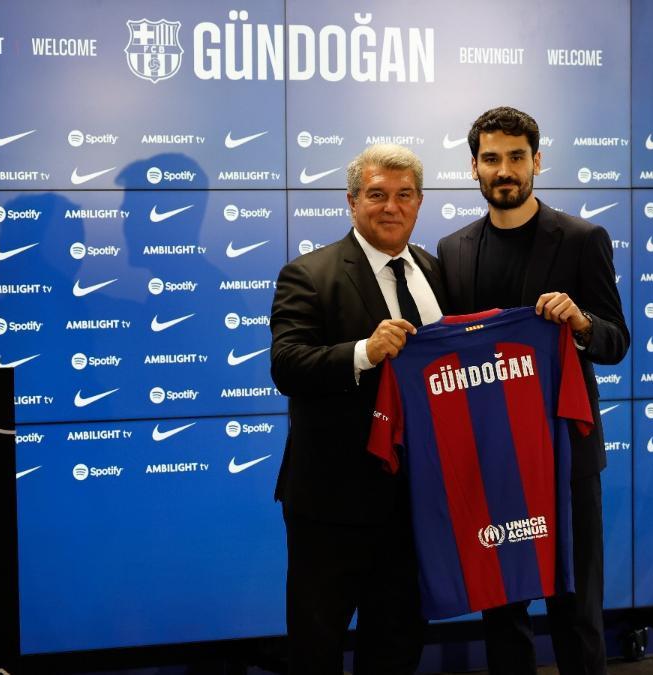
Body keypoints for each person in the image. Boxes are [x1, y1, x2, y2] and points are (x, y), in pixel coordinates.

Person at [436, 106, 630, 675]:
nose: (505, 170)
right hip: (491, 455)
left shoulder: (581, 238)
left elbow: (616, 342)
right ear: (473, 167)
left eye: (516, 157)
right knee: (503, 609)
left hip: (565, 454)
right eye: (491, 158)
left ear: (537, 161)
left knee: (575, 608)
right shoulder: (452, 250)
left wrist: (583, 324)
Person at [270, 144, 445, 674]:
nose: (390, 207)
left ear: (419, 203)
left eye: (403, 195)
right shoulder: (309, 273)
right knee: (317, 643)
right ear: (351, 201)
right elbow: (287, 365)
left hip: (415, 499)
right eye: (376, 195)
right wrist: (365, 352)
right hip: (333, 501)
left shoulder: (437, 272)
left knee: (396, 640)